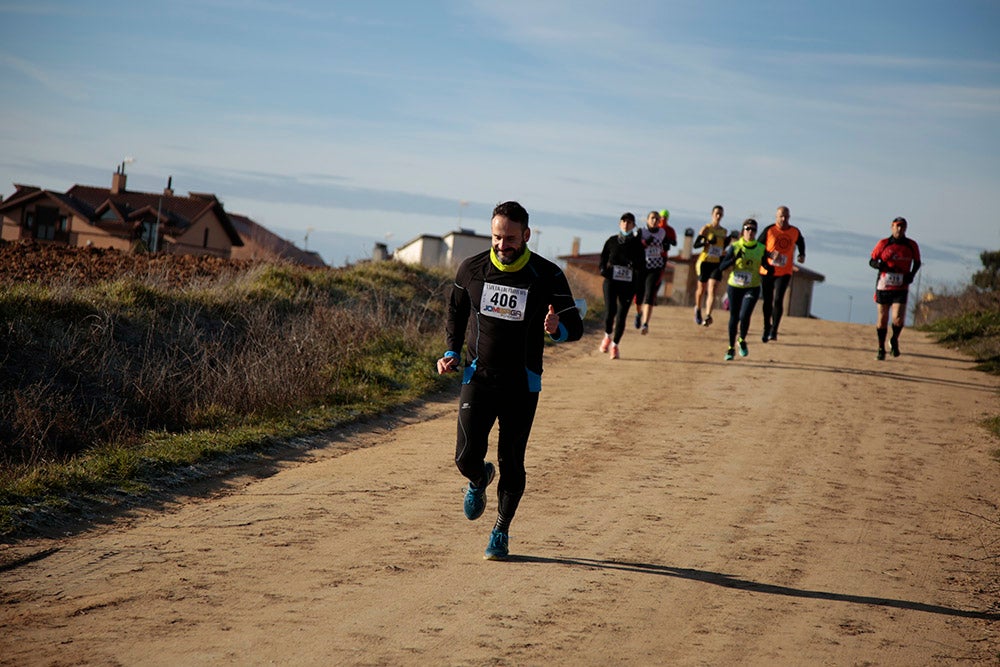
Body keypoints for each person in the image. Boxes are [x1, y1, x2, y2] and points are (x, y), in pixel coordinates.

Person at [437, 201, 583, 560]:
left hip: (521, 383)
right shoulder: (472, 269)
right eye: (497, 237)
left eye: (510, 238)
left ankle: (500, 531)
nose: (502, 245)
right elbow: (456, 310)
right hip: (478, 377)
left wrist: (557, 329)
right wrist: (452, 351)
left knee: (512, 461)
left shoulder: (546, 275)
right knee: (465, 457)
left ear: (527, 236)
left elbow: (575, 327)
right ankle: (477, 479)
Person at [718, 218, 773, 360]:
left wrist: (770, 266)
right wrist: (733, 259)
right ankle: (730, 348)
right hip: (735, 286)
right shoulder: (735, 247)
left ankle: (741, 340)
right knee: (734, 317)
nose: (750, 232)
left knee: (745, 315)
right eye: (747, 229)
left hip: (752, 287)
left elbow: (767, 266)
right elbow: (721, 267)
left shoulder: (761, 249)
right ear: (743, 230)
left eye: (753, 229)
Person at [869, 216, 921, 360]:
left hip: (901, 286)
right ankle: (881, 348)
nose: (900, 229)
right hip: (884, 285)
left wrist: (911, 275)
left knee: (898, 319)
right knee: (882, 319)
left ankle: (894, 339)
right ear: (892, 227)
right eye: (897, 226)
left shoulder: (911, 245)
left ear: (906, 228)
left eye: (902, 226)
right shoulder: (883, 243)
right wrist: (878, 265)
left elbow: (917, 263)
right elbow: (872, 260)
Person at [598, 212, 645, 359]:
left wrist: (634, 266)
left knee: (622, 315)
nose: (626, 224)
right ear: (620, 224)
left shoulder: (637, 245)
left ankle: (615, 346)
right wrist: (603, 270)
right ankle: (607, 336)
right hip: (611, 281)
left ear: (633, 225)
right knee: (610, 310)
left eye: (629, 222)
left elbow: (642, 267)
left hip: (628, 284)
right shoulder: (612, 241)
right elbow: (603, 258)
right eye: (624, 221)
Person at [757, 205, 805, 342]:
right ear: (776, 217)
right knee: (767, 301)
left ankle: (774, 330)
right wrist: (769, 254)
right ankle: (766, 327)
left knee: (778, 299)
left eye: (786, 216)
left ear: (789, 217)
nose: (783, 219)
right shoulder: (769, 230)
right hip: (767, 270)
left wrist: (802, 255)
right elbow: (758, 246)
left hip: (784, 271)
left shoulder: (794, 231)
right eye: (781, 216)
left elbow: (801, 242)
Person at [632, 210, 673, 334]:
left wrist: (666, 245)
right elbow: (634, 246)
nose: (654, 221)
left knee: (650, 294)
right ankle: (639, 313)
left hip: (655, 267)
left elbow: (666, 246)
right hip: (641, 267)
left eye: (657, 219)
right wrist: (644, 243)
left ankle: (645, 324)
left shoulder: (662, 232)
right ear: (647, 220)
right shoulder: (641, 231)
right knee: (639, 297)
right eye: (652, 218)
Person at [692, 205, 728, 326]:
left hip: (716, 263)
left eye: (720, 214)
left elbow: (723, 247)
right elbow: (696, 245)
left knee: (712, 289)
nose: (718, 216)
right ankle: (697, 309)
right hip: (704, 261)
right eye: (716, 213)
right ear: (712, 214)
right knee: (701, 289)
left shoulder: (724, 232)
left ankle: (708, 315)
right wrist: (707, 242)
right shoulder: (706, 228)